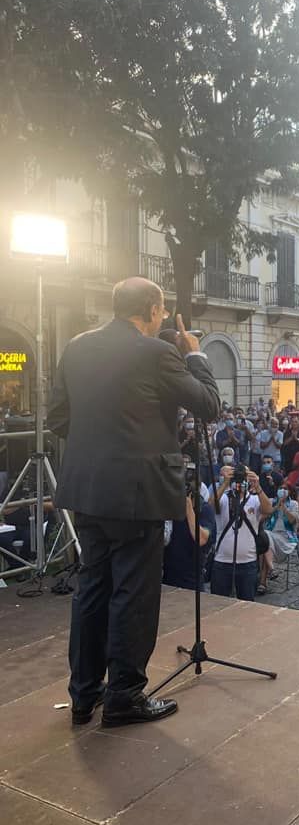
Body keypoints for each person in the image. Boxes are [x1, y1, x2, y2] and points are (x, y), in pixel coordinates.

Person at [48, 277, 220, 728]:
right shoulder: (157, 353)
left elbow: (58, 418)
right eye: (161, 311)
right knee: (133, 593)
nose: (162, 318)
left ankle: (84, 694)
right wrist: (196, 354)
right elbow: (208, 404)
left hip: (87, 489)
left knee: (92, 588)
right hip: (138, 493)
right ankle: (124, 695)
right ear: (151, 310)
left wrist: (101, 444)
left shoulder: (76, 347)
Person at [210, 464, 272, 598]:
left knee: (246, 602)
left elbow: (268, 510)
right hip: (222, 561)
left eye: (244, 475)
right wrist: (225, 483)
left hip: (247, 562)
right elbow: (209, 508)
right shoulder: (224, 498)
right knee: (218, 602)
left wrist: (258, 486)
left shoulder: (255, 499)